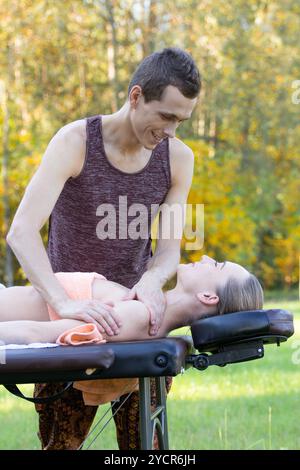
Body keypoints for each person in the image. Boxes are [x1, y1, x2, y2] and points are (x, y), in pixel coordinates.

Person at [5, 47, 201, 450]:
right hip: (70, 324)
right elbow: (21, 232)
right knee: (61, 448)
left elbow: (168, 250)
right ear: (135, 96)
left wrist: (151, 281)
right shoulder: (75, 142)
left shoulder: (179, 159)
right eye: (166, 116)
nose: (172, 131)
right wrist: (64, 301)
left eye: (181, 120)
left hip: (135, 327)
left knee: (147, 450)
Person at [0, 255, 264, 346]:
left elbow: (37, 334)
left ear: (208, 297)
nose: (206, 258)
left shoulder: (137, 316)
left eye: (216, 265)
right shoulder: (147, 309)